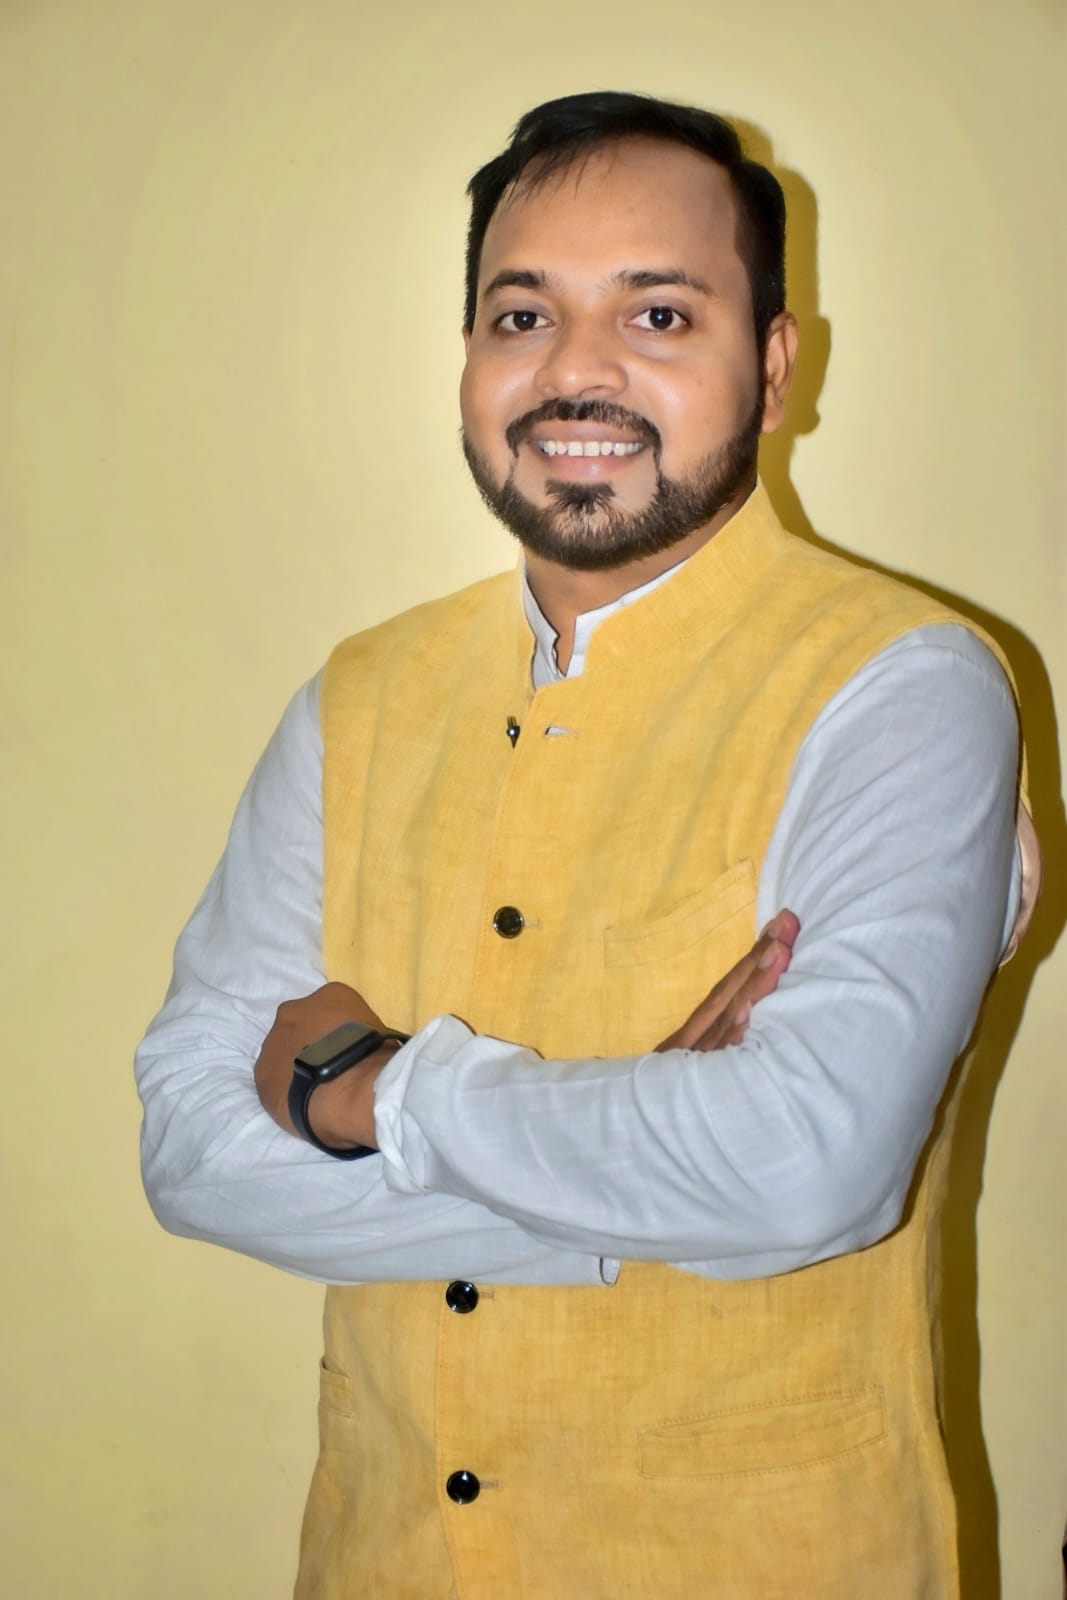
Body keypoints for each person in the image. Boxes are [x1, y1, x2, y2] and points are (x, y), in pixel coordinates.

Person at [136, 91, 1039, 1599]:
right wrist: (637, 1177)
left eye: (659, 314)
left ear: (774, 369)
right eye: (522, 315)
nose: (576, 371)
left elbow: (809, 1169)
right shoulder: (359, 695)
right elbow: (190, 1150)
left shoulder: (904, 684)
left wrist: (366, 1092)